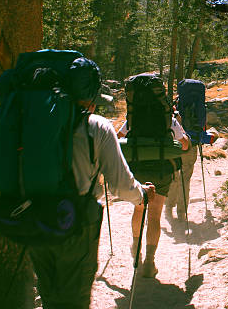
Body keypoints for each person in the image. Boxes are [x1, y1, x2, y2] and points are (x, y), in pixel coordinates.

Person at [27, 58, 156, 309]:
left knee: (48, 292)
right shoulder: (97, 126)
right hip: (77, 222)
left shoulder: (35, 123)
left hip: (34, 218)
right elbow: (120, 185)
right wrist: (142, 195)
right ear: (92, 95)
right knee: (74, 299)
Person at [117, 111, 190, 278]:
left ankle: (136, 249)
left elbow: (117, 137)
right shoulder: (168, 120)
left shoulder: (133, 118)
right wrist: (181, 132)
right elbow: (185, 146)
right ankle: (149, 262)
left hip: (137, 169)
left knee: (139, 208)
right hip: (162, 170)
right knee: (155, 215)